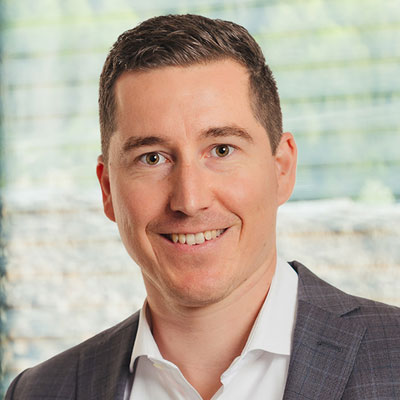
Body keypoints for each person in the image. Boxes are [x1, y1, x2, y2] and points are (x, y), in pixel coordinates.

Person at [5, 14, 400, 400]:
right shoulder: (40, 391)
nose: (190, 201)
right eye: (152, 158)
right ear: (108, 189)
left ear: (282, 168)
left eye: (222, 150)